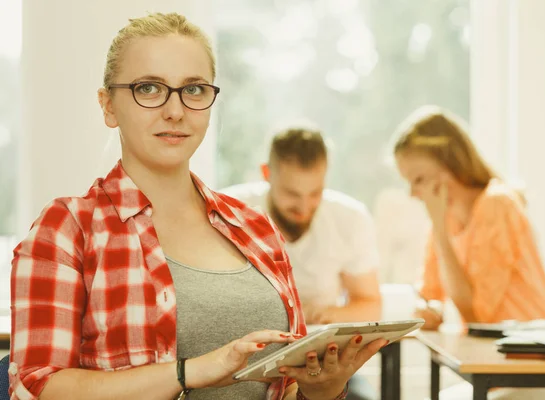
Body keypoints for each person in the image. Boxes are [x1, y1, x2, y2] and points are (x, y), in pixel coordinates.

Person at [9, 13, 388, 400]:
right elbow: (38, 386)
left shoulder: (257, 229)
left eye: (193, 90)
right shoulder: (69, 228)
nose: (175, 111)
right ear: (108, 106)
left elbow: (284, 388)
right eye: (149, 88)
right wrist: (190, 372)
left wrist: (321, 391)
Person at [392, 105, 545, 400]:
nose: (412, 193)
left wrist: (440, 232)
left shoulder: (497, 205)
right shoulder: (442, 222)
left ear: (449, 167)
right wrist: (430, 310)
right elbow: (431, 295)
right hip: (500, 375)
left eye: (418, 179)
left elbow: (477, 315)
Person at [221, 127, 382, 400]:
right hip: (249, 357)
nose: (305, 207)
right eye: (292, 194)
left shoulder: (349, 218)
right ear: (266, 174)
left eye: (315, 193)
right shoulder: (230, 211)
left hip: (323, 361)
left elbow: (370, 304)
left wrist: (325, 314)